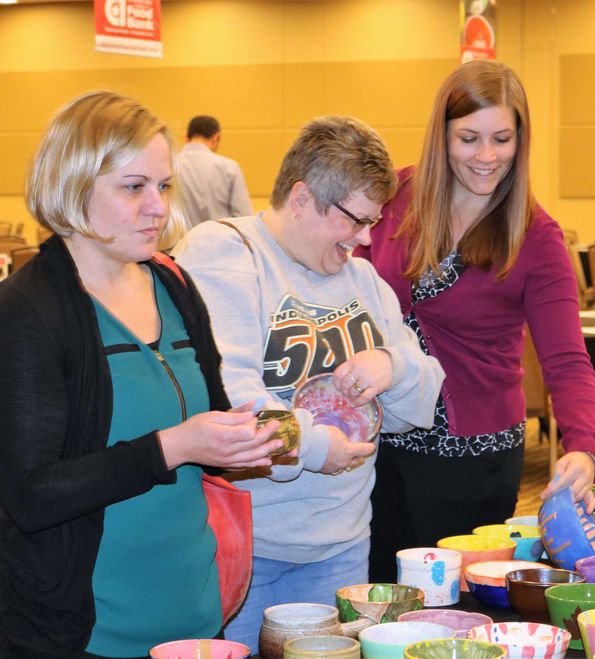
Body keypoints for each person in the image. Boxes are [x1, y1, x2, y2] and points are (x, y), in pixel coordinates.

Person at [0, 91, 285, 658]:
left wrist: (234, 441)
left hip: (196, 614)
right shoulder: (28, 310)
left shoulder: (173, 286)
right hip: (83, 633)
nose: (159, 207)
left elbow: (208, 419)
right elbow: (30, 495)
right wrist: (172, 446)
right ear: (74, 186)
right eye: (134, 187)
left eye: (163, 186)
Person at [173, 115, 444, 653]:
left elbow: (423, 400)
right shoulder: (223, 253)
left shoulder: (363, 278)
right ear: (301, 198)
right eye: (356, 220)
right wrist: (318, 447)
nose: (366, 239)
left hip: (341, 543)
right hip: (244, 544)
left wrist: (393, 364)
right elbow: (227, 398)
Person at [356, 59, 595, 583]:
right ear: (441, 136)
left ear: (521, 140)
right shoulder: (396, 198)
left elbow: (565, 359)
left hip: (472, 459)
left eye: (502, 139)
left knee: (459, 613)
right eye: (469, 138)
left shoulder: (536, 237)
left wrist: (583, 446)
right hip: (378, 446)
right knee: (376, 599)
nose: (486, 157)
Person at [177, 114, 254, 226]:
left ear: (185, 137)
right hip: (220, 242)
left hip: (178, 243)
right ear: (216, 137)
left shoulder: (168, 165)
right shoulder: (229, 168)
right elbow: (244, 219)